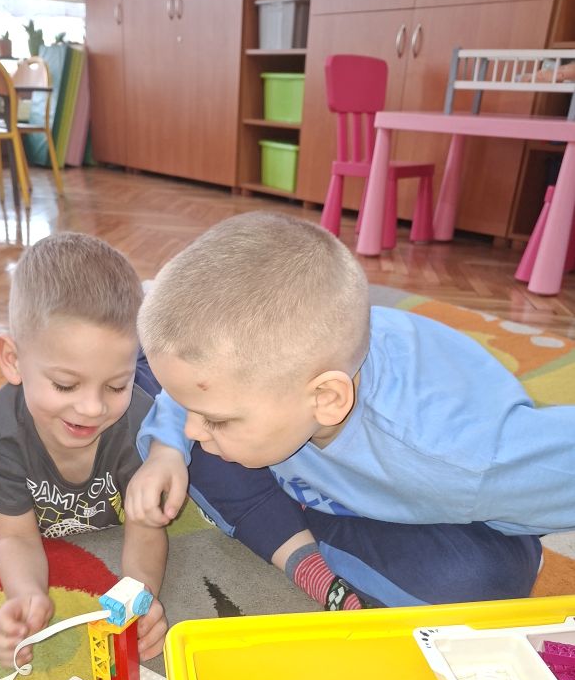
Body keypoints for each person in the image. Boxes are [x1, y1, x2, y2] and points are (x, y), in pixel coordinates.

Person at [126, 211, 575, 609]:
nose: (193, 426)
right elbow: (192, 404)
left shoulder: (460, 456)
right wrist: (166, 449)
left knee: (472, 584)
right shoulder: (259, 384)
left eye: (215, 417)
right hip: (319, 464)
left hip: (423, 495)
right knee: (183, 443)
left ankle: (295, 527)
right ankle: (306, 551)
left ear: (327, 399)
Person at [0, 231, 171, 667]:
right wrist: (26, 597)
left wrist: (140, 594)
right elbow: (16, 536)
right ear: (13, 360)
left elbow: (145, 528)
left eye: (116, 385)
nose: (92, 408)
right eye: (65, 384)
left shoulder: (139, 422)